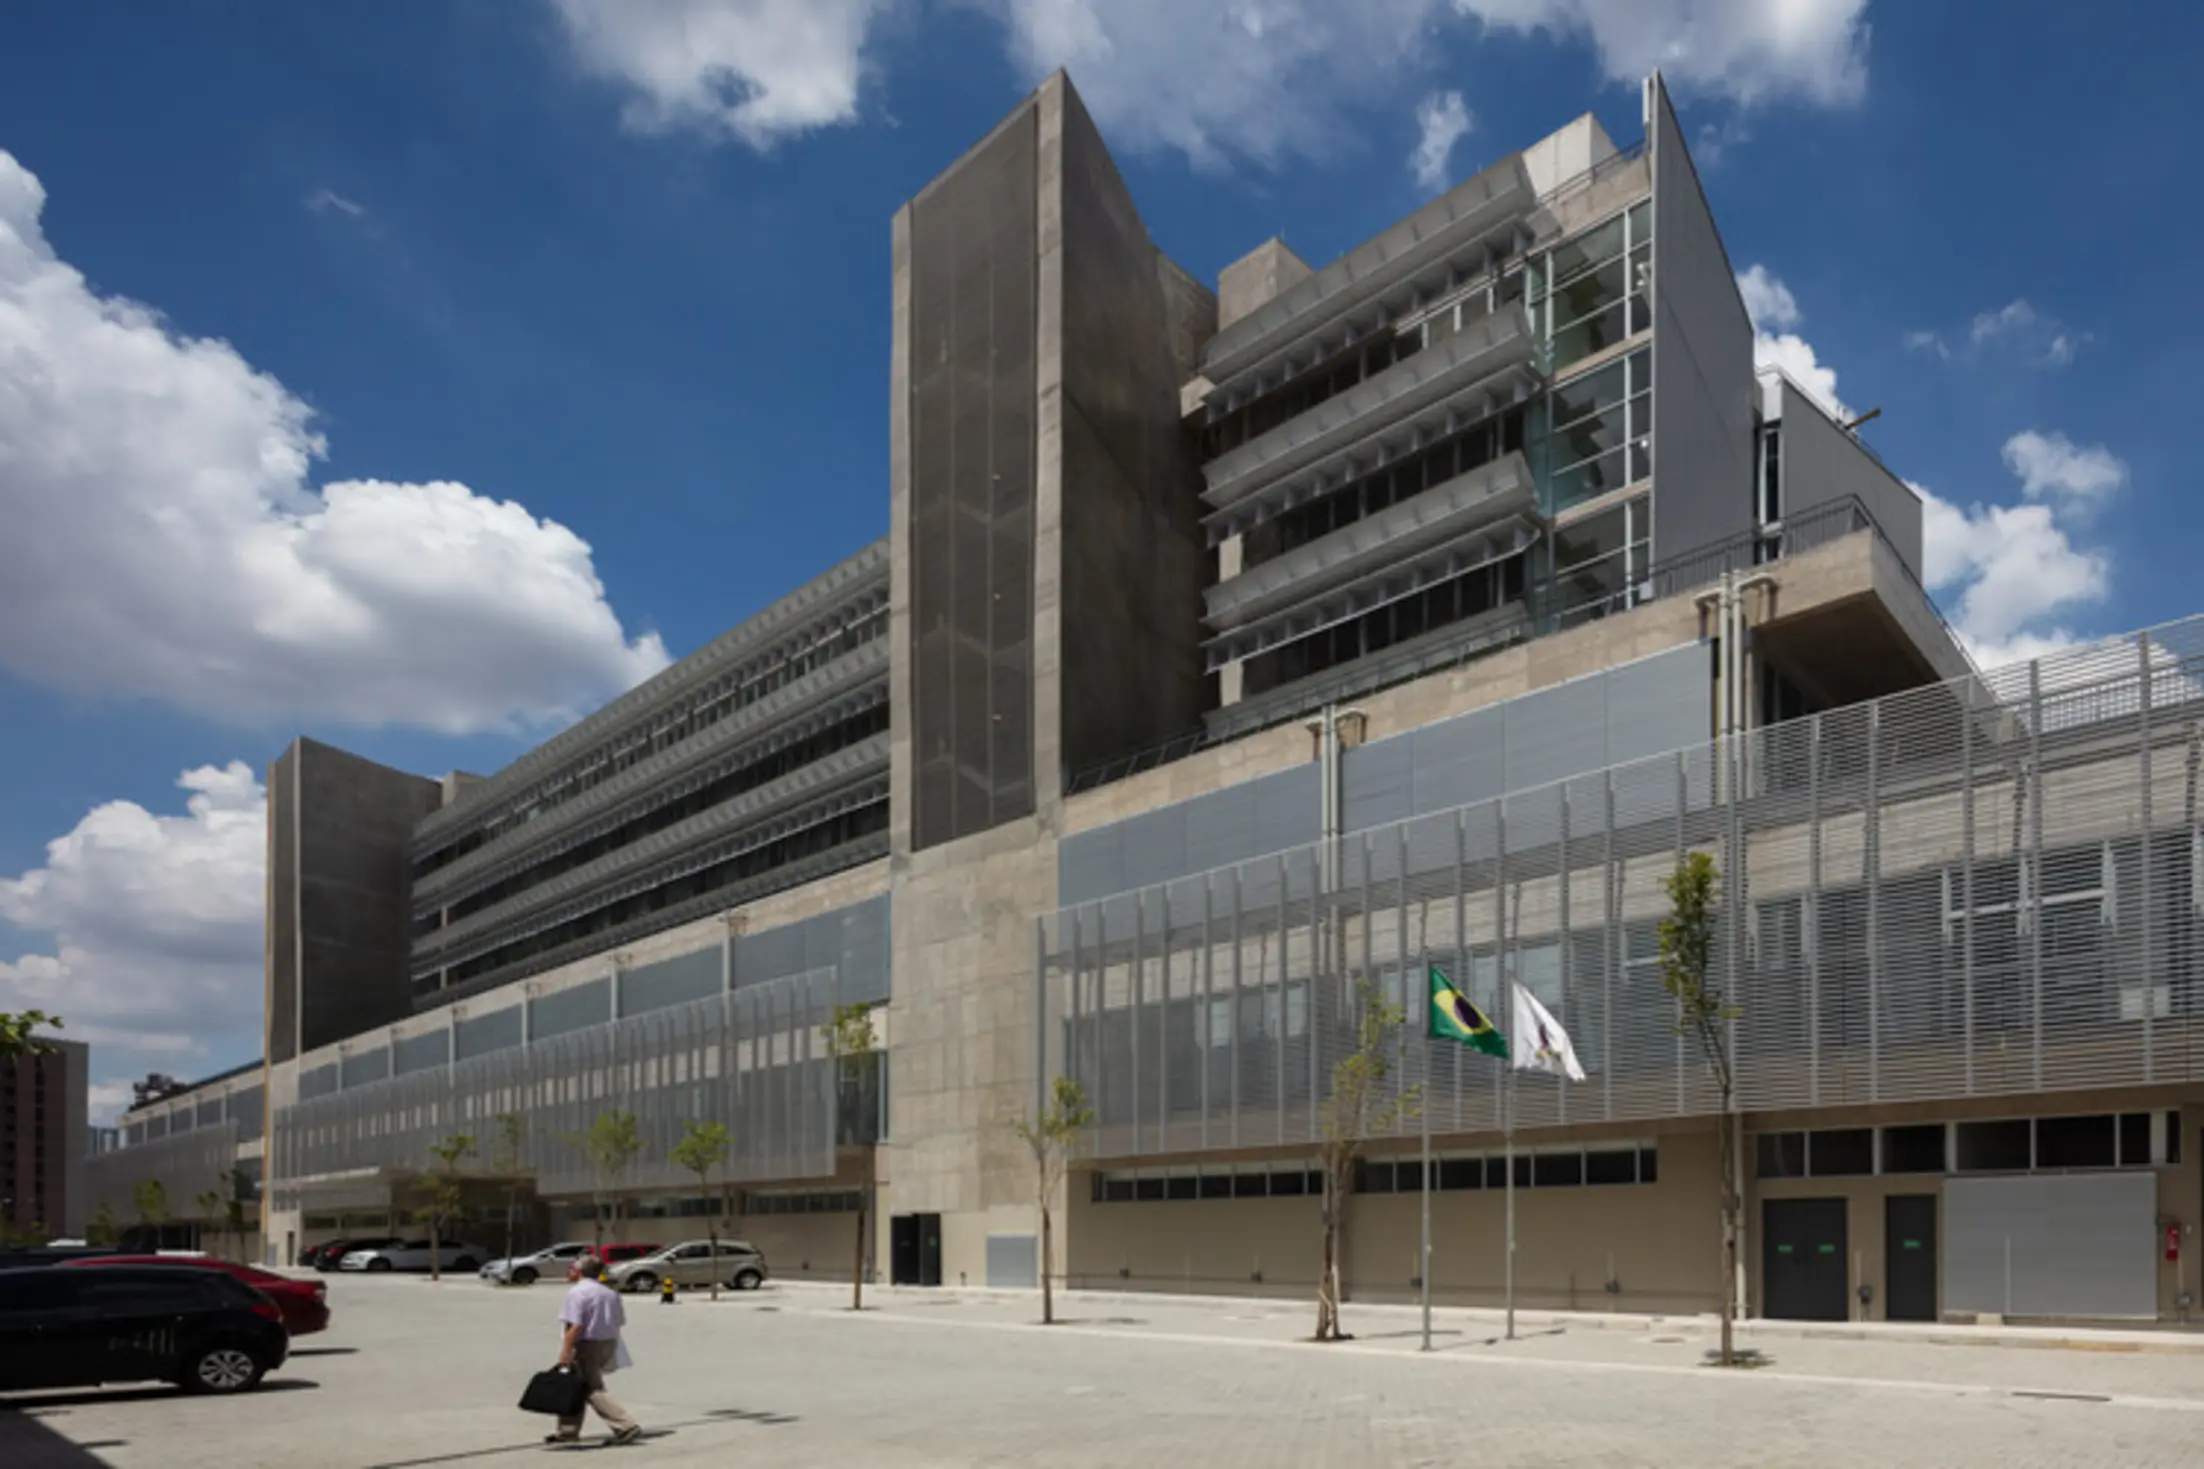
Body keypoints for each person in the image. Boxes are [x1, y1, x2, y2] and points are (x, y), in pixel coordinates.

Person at [547, 1254, 643, 1446]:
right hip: (606, 1342)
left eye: (572, 1268)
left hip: (585, 1344)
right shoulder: (610, 1293)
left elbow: (575, 1325)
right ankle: (567, 1430)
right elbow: (619, 1321)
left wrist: (565, 1351)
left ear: (580, 1271)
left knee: (591, 1388)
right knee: (574, 1385)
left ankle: (625, 1426)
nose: (569, 1272)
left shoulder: (577, 1293)